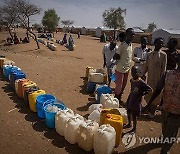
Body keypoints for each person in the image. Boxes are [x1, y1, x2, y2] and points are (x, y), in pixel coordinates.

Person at [143, 53, 180, 154]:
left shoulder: (167, 73)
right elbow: (158, 89)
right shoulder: (167, 73)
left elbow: (158, 90)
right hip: (166, 109)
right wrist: (148, 104)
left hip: (175, 112)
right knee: (167, 131)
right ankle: (165, 144)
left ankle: (164, 150)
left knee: (171, 132)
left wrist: (148, 104)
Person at [124, 66, 152, 133]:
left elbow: (150, 90)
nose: (133, 74)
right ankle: (129, 123)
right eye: (132, 72)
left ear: (139, 73)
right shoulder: (132, 80)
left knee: (134, 114)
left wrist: (142, 94)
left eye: (135, 72)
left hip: (136, 100)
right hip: (131, 97)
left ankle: (134, 128)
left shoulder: (141, 82)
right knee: (128, 111)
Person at [144, 37, 167, 118]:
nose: (160, 45)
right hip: (150, 78)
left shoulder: (163, 55)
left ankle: (151, 113)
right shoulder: (149, 54)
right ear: (155, 43)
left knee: (157, 96)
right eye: (158, 43)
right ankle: (148, 109)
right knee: (149, 93)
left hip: (158, 79)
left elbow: (163, 69)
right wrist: (143, 74)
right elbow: (146, 66)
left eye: (161, 43)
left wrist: (161, 80)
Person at [113, 28, 135, 103]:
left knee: (123, 86)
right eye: (131, 34)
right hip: (120, 69)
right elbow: (115, 56)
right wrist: (118, 56)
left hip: (127, 69)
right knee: (118, 87)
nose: (133, 36)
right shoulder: (122, 45)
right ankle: (115, 101)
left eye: (134, 34)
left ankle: (119, 99)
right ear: (127, 35)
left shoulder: (131, 45)